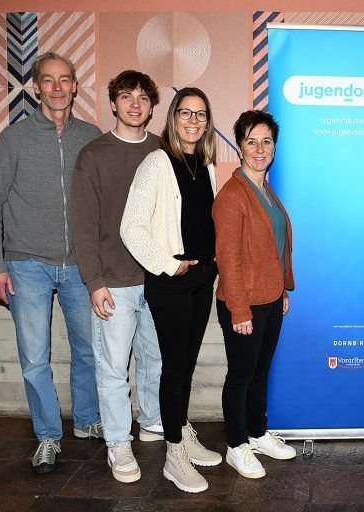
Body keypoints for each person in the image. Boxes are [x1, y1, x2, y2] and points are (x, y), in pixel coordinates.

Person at [0, 51, 103, 474]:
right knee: (35, 357)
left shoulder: (91, 135)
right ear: (35, 87)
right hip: (25, 264)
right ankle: (48, 435)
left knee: (89, 350)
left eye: (64, 80)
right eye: (48, 80)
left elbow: (103, 203)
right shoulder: (13, 139)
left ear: (74, 86)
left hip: (79, 265)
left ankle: (87, 421)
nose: (56, 88)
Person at [120, 87, 222, 493]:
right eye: (185, 113)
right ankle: (173, 454)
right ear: (173, 118)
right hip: (172, 281)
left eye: (200, 114)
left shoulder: (207, 164)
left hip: (202, 278)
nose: (193, 121)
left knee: (187, 364)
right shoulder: (156, 163)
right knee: (174, 367)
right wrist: (169, 265)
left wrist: (210, 266)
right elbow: (131, 227)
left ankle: (181, 431)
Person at [72, 70, 163, 484]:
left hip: (158, 281)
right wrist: (93, 281)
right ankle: (117, 443)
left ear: (151, 105)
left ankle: (152, 421)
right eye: (126, 97)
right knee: (112, 368)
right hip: (113, 282)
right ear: (113, 103)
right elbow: (83, 224)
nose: (134, 104)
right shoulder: (94, 155)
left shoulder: (164, 152)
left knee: (155, 360)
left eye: (143, 98)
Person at [213, 110, 296, 480]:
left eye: (266, 141)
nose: (259, 148)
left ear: (274, 147)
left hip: (269, 299)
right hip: (241, 303)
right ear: (240, 146)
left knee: (260, 372)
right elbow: (227, 259)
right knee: (241, 376)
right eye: (251, 141)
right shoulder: (233, 195)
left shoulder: (264, 189)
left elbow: (275, 247)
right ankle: (236, 445)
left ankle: (257, 433)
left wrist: (281, 290)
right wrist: (239, 309)